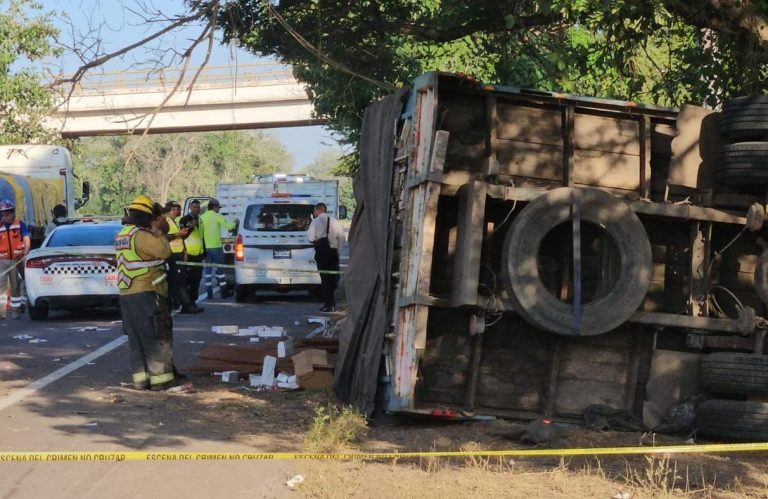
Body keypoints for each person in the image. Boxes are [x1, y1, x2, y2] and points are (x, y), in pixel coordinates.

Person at [115, 195, 175, 391]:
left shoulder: (123, 233)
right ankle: (161, 380)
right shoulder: (140, 236)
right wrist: (158, 232)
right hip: (145, 290)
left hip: (127, 293)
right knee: (153, 336)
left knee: (136, 338)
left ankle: (141, 380)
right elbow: (164, 251)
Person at [307, 202, 345, 312]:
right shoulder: (334, 221)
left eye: (314, 211)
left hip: (322, 253)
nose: (314, 213)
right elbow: (342, 236)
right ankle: (333, 302)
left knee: (325, 278)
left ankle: (328, 304)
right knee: (333, 278)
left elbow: (310, 237)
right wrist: (338, 249)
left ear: (318, 211)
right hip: (333, 252)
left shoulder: (315, 222)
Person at [163, 201, 199, 314]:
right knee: (180, 283)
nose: (180, 211)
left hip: (178, 255)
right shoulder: (165, 222)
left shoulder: (174, 221)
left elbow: (180, 237)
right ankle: (186, 306)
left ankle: (180, 304)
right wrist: (177, 235)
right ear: (172, 210)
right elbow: (164, 237)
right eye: (178, 209)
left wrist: (184, 251)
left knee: (180, 281)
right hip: (172, 256)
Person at [0, 200, 31, 319]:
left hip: (16, 261)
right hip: (2, 261)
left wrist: (24, 255)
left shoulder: (19, 224)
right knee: (1, 287)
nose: (5, 216)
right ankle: (1, 312)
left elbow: (26, 240)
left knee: (15, 286)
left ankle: (15, 311)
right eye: (3, 214)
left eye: (7, 213)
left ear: (13, 213)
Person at [200, 198, 236, 299]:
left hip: (206, 248)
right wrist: (235, 223)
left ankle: (209, 294)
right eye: (218, 208)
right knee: (220, 270)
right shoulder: (217, 216)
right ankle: (224, 292)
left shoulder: (202, 217)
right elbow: (229, 227)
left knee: (207, 271)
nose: (219, 210)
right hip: (216, 247)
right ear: (214, 207)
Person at [179, 200, 205, 308]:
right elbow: (182, 236)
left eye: (198, 207)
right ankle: (187, 304)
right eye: (194, 207)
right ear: (190, 207)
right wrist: (191, 227)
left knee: (197, 279)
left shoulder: (200, 219)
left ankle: (193, 302)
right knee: (189, 280)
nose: (197, 209)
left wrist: (205, 254)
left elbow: (202, 238)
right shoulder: (185, 219)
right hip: (188, 254)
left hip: (198, 254)